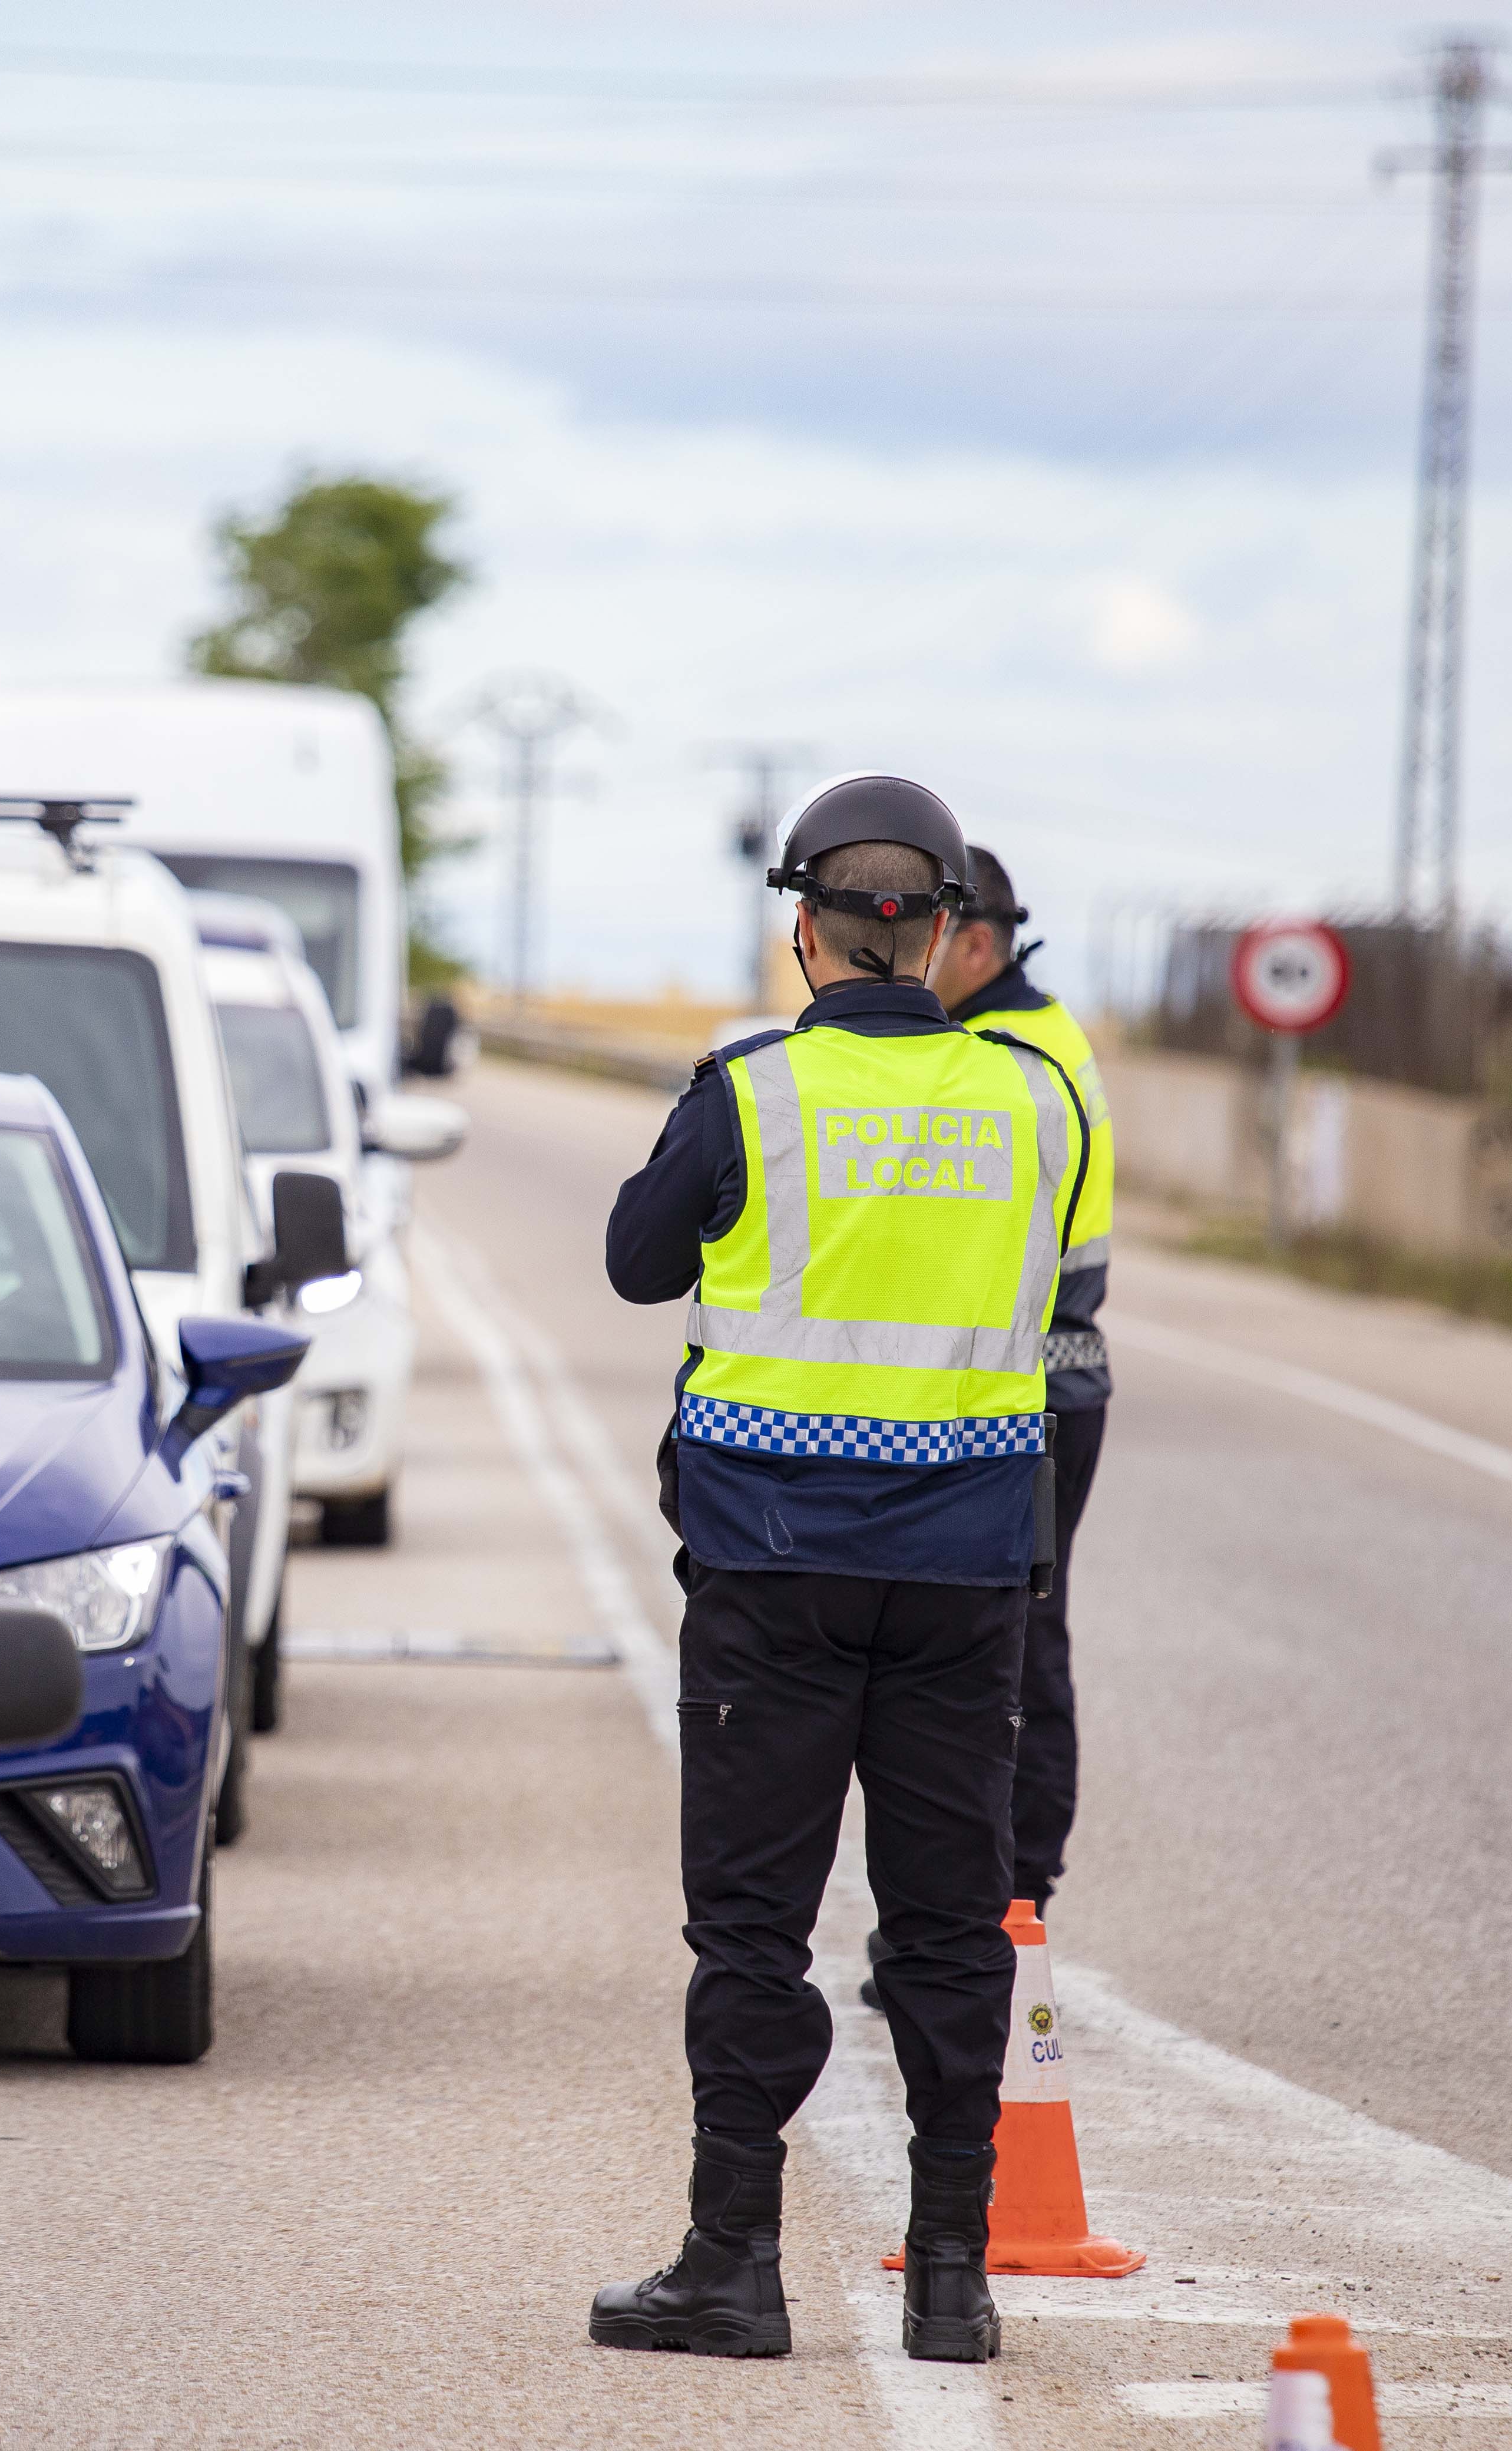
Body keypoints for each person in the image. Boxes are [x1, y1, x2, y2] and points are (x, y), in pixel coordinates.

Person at [588, 775, 1088, 2368]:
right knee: (947, 1927)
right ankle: (954, 2276)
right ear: (945, 937)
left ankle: (732, 2263)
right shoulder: (1039, 1101)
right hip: (964, 1577)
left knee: (754, 1930)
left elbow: (635, 1263)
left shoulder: (750, 1088)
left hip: (773, 1570)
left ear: (805, 935)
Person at [927, 847, 1113, 1925]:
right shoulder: (1031, 1037)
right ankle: (995, 1896)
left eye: (928, 936)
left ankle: (1012, 1901)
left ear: (980, 945)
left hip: (1035, 1400)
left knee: (1019, 1653)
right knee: (1011, 1644)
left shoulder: (1009, 1059)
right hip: (1045, 1393)